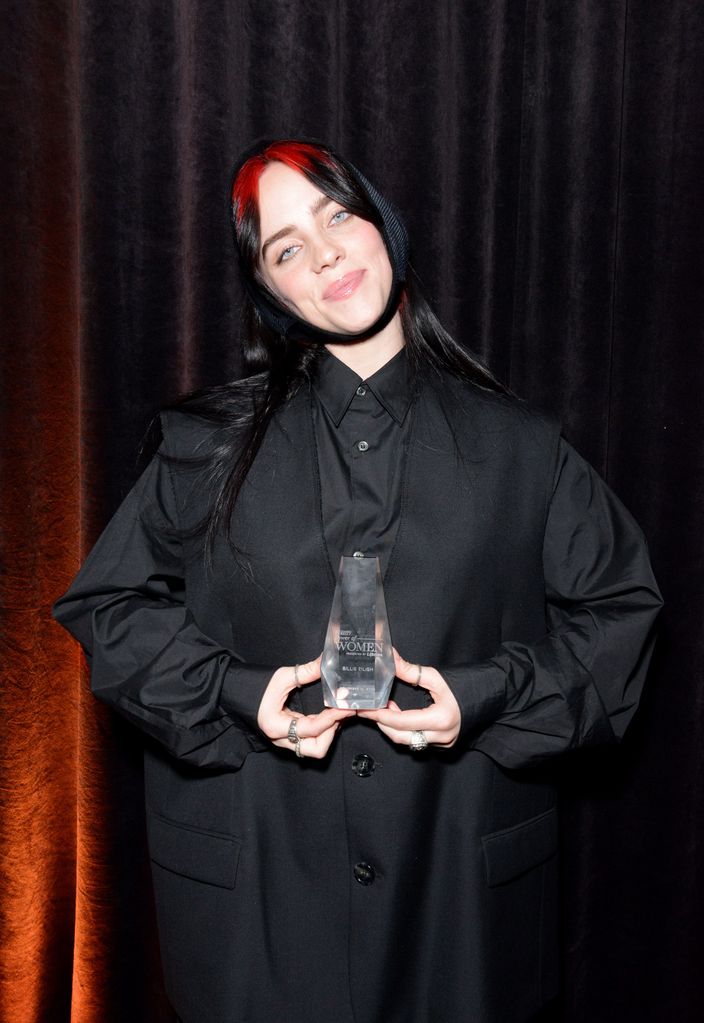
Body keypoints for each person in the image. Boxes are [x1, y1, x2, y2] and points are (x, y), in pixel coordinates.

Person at [52, 137, 664, 1023]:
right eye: (286, 246)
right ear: (268, 288)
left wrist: (486, 694)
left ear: (385, 225)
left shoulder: (524, 447)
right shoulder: (199, 446)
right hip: (257, 914)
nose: (326, 251)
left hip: (462, 910)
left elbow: (622, 614)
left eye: (338, 215)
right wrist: (236, 694)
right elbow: (106, 607)